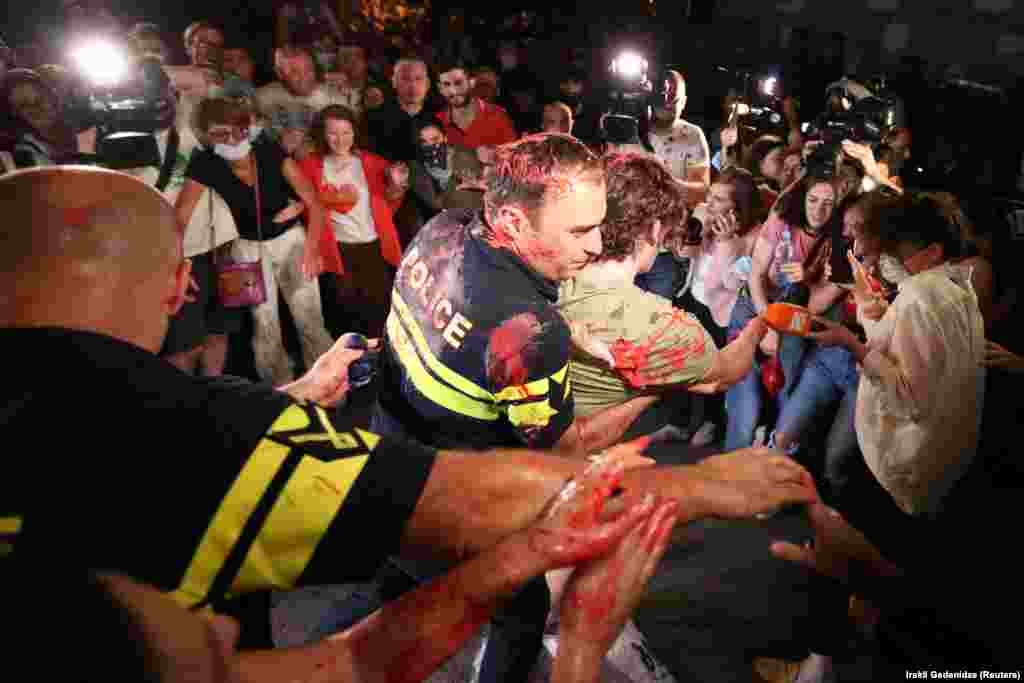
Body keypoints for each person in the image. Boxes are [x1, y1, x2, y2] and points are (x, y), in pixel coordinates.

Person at [1, 166, 818, 679]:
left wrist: (287, 401)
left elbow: (328, 661)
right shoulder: (530, 332)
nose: (187, 292)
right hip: (452, 471)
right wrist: (693, 482)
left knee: (392, 572)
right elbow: (480, 484)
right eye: (578, 229)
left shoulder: (444, 232)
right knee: (515, 611)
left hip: (392, 440)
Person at [557, 154, 768, 436]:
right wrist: (758, 326)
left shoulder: (545, 277)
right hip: (583, 467)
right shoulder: (668, 330)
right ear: (655, 230)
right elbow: (723, 375)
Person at [807, 191, 986, 519]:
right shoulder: (958, 288)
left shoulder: (919, 297)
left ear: (933, 252)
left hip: (914, 460)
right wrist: (868, 308)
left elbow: (908, 398)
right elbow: (911, 353)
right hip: (948, 453)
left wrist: (851, 343)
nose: (890, 259)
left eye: (898, 251)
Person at [176, 96, 334, 385]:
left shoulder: (268, 152)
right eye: (220, 134)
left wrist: (311, 251)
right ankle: (280, 393)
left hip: (291, 241)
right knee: (265, 326)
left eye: (238, 130)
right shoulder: (205, 164)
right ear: (206, 137)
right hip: (247, 249)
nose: (232, 139)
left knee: (310, 319)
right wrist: (178, 266)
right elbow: (180, 219)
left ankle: (328, 385)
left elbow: (313, 203)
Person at [725, 172, 840, 450]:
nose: (818, 210)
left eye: (828, 202)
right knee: (745, 410)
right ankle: (727, 477)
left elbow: (820, 299)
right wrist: (767, 326)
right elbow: (755, 276)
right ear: (803, 198)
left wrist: (807, 277)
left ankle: (770, 483)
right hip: (754, 310)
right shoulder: (782, 219)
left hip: (792, 320)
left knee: (786, 406)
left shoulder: (837, 236)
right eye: (813, 200)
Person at [299, 105, 409, 339]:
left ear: (355, 132)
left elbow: (390, 202)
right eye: (333, 133)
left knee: (379, 315)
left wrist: (397, 186)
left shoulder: (372, 162)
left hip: (372, 247)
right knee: (343, 318)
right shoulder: (310, 165)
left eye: (346, 132)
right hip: (337, 250)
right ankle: (349, 371)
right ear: (322, 134)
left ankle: (378, 369)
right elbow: (306, 204)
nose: (340, 139)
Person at [674, 167, 765, 445]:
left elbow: (726, 284)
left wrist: (727, 243)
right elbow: (683, 254)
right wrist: (691, 234)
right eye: (710, 196)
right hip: (693, 296)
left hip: (721, 312)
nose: (708, 203)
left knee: (713, 369)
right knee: (679, 362)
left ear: (737, 207)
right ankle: (679, 424)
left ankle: (711, 423)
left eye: (718, 199)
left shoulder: (753, 238)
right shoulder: (705, 216)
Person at [257, 44, 360, 160]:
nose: (304, 77)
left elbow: (352, 145)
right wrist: (277, 144)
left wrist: (315, 149)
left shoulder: (336, 99)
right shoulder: (263, 96)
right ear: (279, 73)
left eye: (309, 69)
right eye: (295, 72)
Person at [647, 70, 710, 207]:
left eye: (672, 98)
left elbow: (701, 191)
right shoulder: (632, 128)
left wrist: (666, 182)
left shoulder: (692, 134)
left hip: (673, 218)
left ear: (684, 102)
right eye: (662, 96)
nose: (666, 103)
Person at [435, 58, 517, 158]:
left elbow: (512, 159)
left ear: (472, 82)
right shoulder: (436, 122)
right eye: (447, 85)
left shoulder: (499, 116)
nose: (453, 91)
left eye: (458, 83)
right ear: (440, 89)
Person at [365, 55, 438, 163]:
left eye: (418, 79)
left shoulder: (439, 117)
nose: (413, 86)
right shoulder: (375, 118)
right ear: (394, 82)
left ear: (427, 84)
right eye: (405, 79)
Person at [408, 116, 484, 218]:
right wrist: (454, 179)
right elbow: (436, 204)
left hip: (483, 214)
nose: (431, 146)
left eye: (435, 139)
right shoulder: (417, 168)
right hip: (454, 222)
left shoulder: (464, 154)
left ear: (445, 137)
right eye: (424, 142)